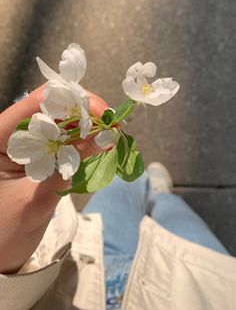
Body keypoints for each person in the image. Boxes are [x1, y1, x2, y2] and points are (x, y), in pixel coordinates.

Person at [0, 87, 235, 310]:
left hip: (88, 261)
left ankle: (149, 186)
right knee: (171, 209)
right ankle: (159, 193)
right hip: (189, 281)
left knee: (122, 183)